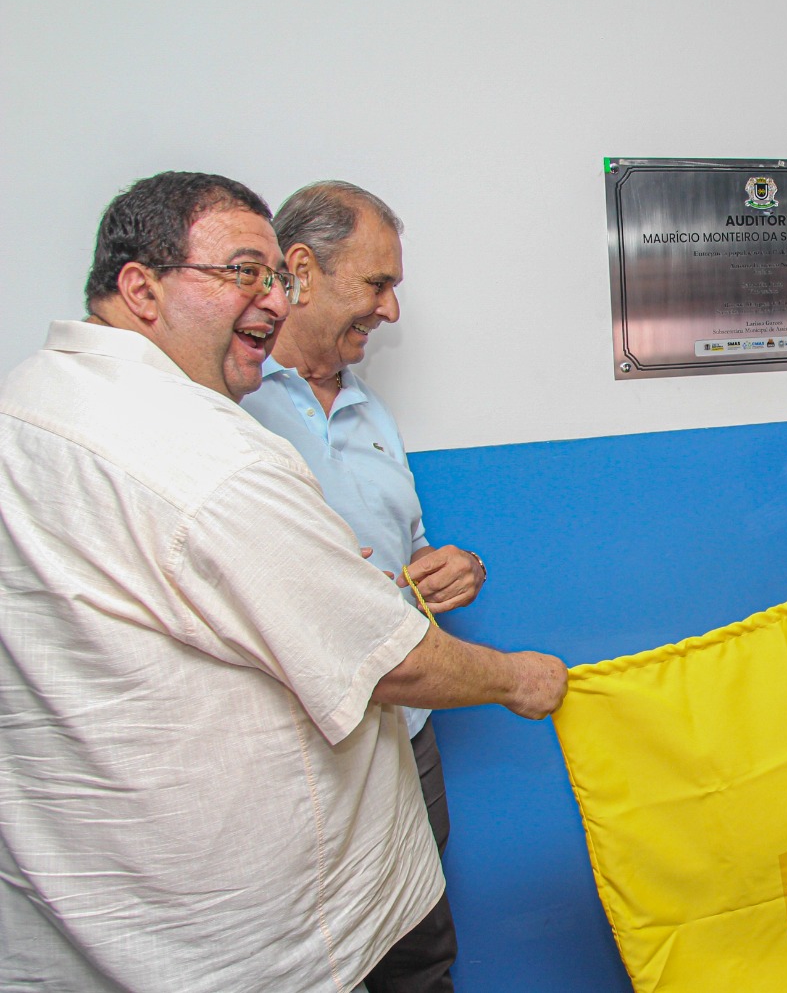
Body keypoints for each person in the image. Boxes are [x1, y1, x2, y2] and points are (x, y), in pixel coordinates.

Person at [0, 172, 567, 993]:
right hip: (239, 910)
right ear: (140, 288)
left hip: (123, 885)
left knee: (420, 959)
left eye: (273, 277)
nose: (269, 297)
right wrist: (520, 677)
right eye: (242, 273)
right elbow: (381, 657)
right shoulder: (212, 452)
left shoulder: (35, 399)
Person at [240, 181, 476, 993]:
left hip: (408, 735)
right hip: (308, 752)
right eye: (378, 285)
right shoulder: (229, 410)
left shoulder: (373, 414)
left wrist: (454, 570)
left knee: (419, 954)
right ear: (300, 269)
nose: (391, 310)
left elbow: (408, 556)